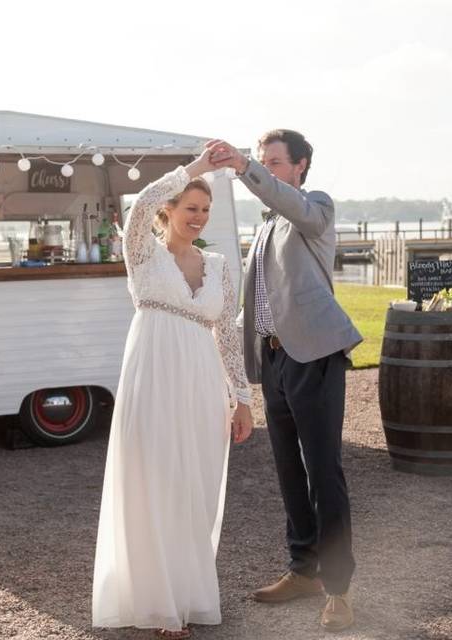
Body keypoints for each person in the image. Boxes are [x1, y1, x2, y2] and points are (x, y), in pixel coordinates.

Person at [91, 145, 254, 639]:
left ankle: (186, 594)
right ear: (168, 210)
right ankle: (159, 606)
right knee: (155, 478)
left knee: (195, 486)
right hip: (153, 374)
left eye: (205, 210)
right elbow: (139, 203)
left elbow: (226, 332)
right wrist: (200, 168)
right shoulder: (142, 251)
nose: (199, 218)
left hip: (201, 382)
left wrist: (242, 398)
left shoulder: (220, 265)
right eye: (191, 208)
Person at [209, 131, 362, 632]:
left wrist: (248, 168)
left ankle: (338, 591)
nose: (269, 168)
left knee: (323, 473)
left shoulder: (314, 208)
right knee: (288, 472)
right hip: (273, 360)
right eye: (265, 161)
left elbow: (293, 205)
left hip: (315, 355)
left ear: (300, 166)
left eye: (277, 162)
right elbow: (253, 303)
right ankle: (303, 571)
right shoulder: (269, 222)